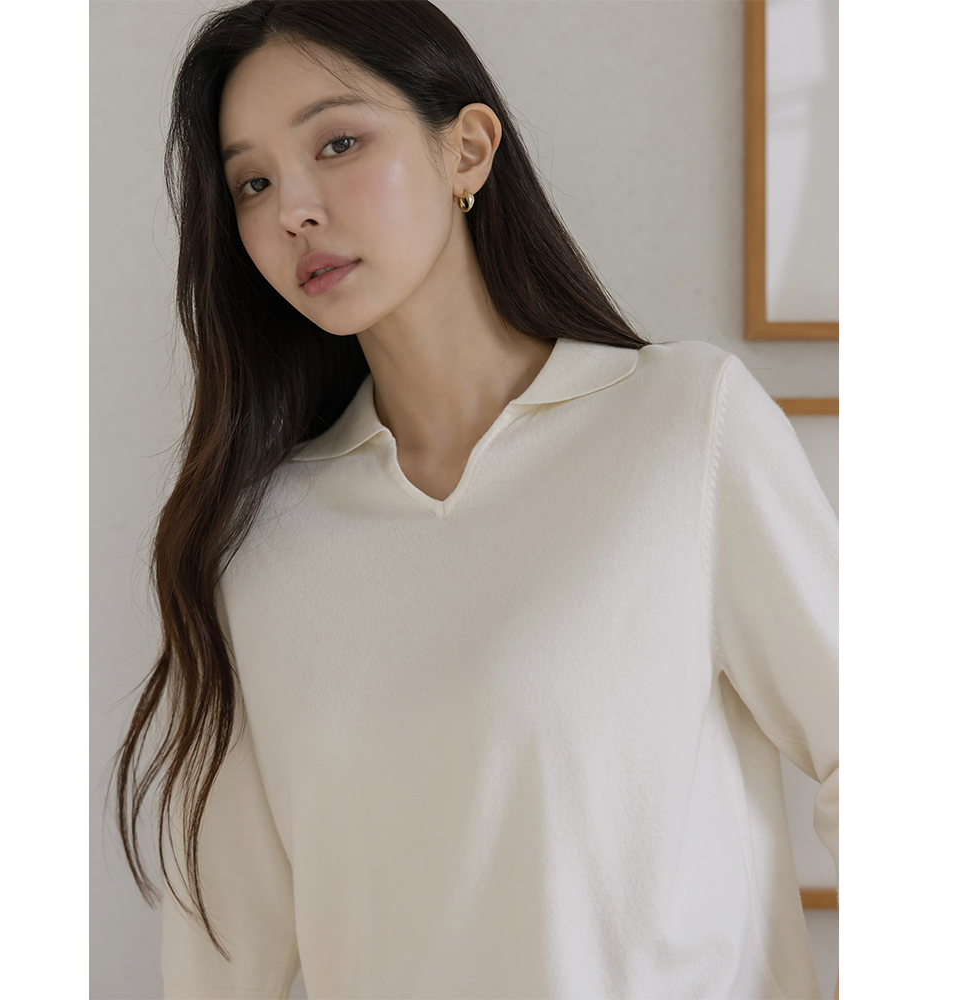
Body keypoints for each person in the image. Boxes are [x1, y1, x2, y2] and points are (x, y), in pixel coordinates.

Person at [112, 2, 838, 998]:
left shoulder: (682, 427)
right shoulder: (258, 547)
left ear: (467, 150)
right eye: (253, 183)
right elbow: (226, 953)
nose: (293, 210)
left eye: (337, 143)